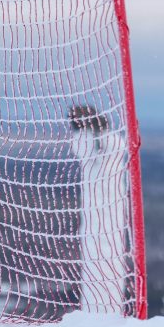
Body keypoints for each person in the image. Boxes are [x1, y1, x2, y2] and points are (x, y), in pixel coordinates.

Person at [67, 104, 129, 314]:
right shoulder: (98, 147)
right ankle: (102, 315)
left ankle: (103, 315)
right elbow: (92, 152)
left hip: (105, 214)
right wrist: (94, 135)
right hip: (102, 216)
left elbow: (97, 151)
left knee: (104, 262)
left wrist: (95, 136)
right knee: (102, 263)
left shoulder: (101, 147)